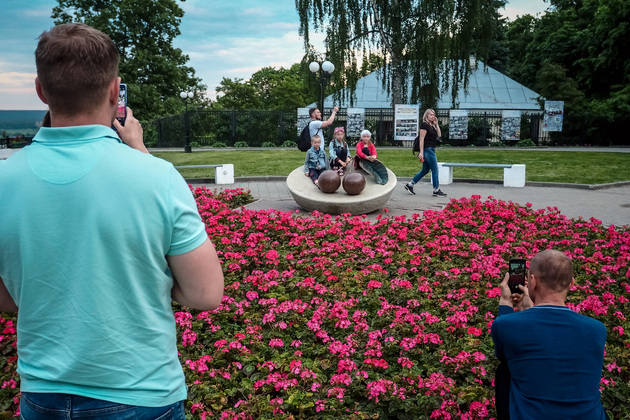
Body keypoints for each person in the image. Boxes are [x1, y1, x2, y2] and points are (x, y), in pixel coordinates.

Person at [0, 23, 224, 420]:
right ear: (114, 91)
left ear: (40, 90)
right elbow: (205, 293)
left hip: (42, 395)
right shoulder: (156, 177)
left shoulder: (4, 181)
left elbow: (8, 299)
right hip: (142, 394)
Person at [491, 250, 608, 420]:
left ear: (532, 281)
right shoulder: (597, 329)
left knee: (505, 369)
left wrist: (506, 303)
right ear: (571, 283)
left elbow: (505, 354)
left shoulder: (506, 325)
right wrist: (527, 309)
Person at [404, 108, 446, 197]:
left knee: (425, 170)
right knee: (435, 169)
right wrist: (421, 152)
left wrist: (436, 124)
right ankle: (436, 190)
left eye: (434, 115)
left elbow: (439, 135)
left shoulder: (432, 126)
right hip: (428, 150)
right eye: (431, 115)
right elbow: (421, 139)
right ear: (426, 116)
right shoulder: (424, 125)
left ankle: (410, 184)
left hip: (431, 149)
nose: (433, 116)